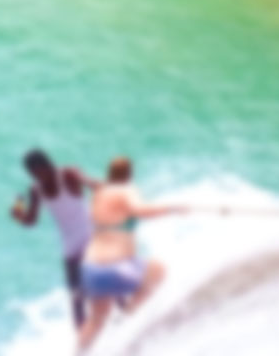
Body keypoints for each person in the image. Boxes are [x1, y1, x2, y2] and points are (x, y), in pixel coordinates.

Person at [75, 157, 185, 351]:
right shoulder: (127, 190)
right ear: (129, 175)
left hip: (90, 269)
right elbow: (139, 209)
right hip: (115, 267)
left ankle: (77, 353)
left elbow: (98, 187)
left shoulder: (100, 194)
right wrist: (171, 209)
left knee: (96, 321)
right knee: (158, 272)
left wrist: (84, 179)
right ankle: (126, 319)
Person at [10, 149, 98, 328]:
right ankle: (84, 339)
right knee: (76, 296)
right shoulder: (36, 190)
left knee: (102, 278)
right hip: (70, 245)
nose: (35, 177)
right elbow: (32, 221)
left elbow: (93, 185)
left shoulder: (67, 174)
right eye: (31, 174)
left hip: (90, 235)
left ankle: (129, 308)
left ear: (46, 165)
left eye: (36, 172)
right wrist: (19, 216)